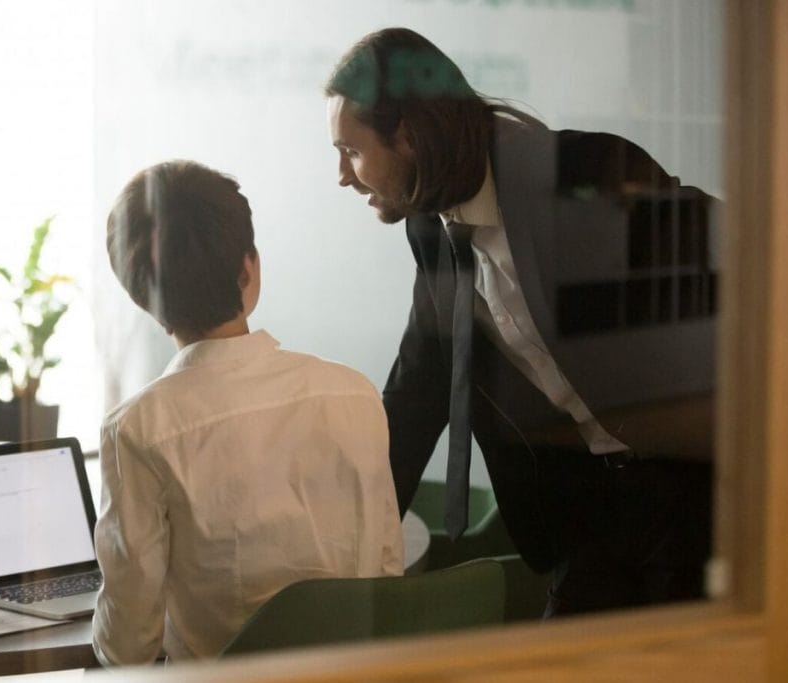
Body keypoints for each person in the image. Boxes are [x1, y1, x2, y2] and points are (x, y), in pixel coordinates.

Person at [325, 27, 718, 617]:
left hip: (698, 492)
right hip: (590, 513)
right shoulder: (430, 227)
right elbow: (419, 391)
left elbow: (741, 254)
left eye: (351, 151)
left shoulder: (582, 172)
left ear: (405, 135)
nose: (342, 176)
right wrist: (341, 555)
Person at [93, 159, 403, 665]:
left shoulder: (139, 430)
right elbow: (388, 579)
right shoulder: (355, 395)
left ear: (140, 296)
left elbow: (128, 646)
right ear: (248, 267)